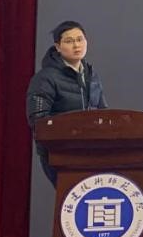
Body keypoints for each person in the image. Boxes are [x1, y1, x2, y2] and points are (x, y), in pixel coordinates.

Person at [25, 20, 108, 185]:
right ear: (58, 46)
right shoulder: (45, 78)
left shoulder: (91, 75)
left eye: (80, 39)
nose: (76, 45)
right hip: (60, 154)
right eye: (69, 41)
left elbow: (103, 113)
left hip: (93, 153)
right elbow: (38, 120)